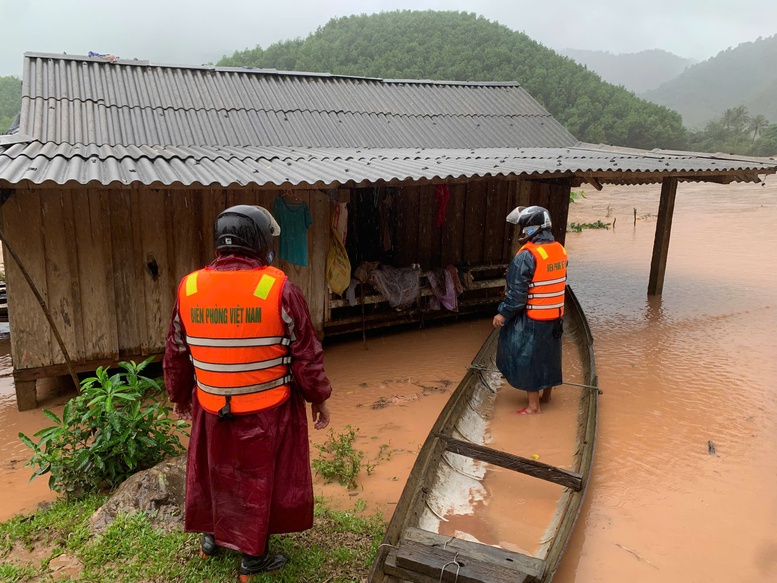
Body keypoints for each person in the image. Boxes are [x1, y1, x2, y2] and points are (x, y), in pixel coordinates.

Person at [163, 204, 333, 580]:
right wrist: (318, 398)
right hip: (267, 411)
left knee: (212, 473)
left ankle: (211, 540)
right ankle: (253, 560)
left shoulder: (189, 286)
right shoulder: (278, 286)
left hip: (210, 407)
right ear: (257, 241)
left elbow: (175, 350)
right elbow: (305, 352)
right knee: (260, 482)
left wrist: (178, 395)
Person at [492, 206, 567, 415]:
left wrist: (502, 313)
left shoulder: (526, 256)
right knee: (549, 355)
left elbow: (517, 296)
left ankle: (533, 408)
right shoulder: (559, 249)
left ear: (530, 228)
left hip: (533, 317)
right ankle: (547, 397)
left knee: (528, 358)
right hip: (555, 316)